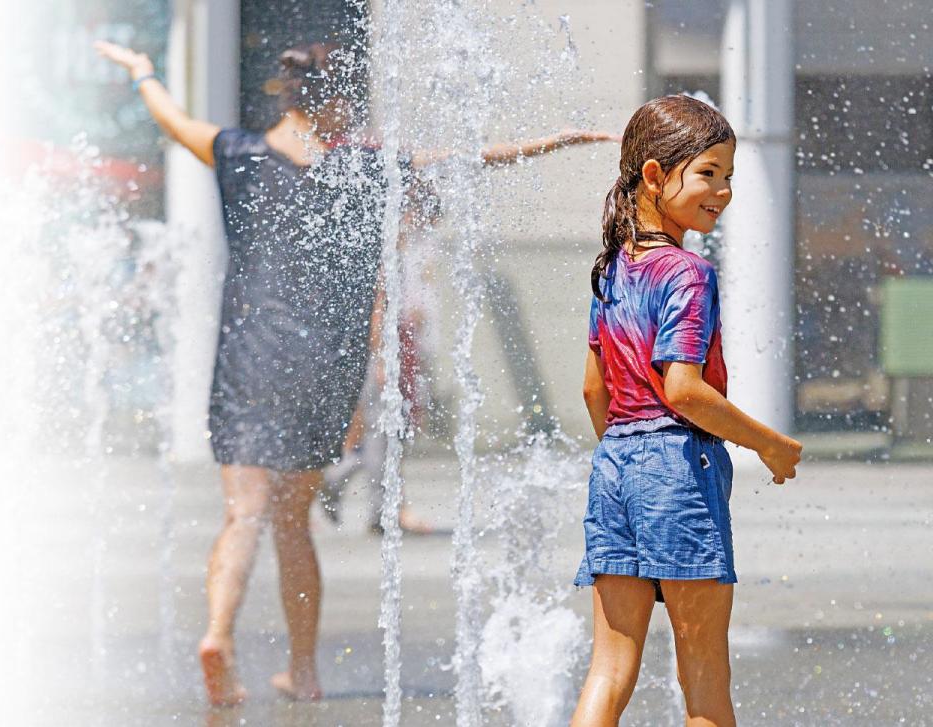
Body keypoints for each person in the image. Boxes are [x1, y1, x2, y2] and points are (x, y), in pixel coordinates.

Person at [95, 39, 616, 707]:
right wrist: (558, 140)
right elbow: (468, 160)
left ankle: (218, 632)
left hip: (248, 359)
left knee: (243, 513)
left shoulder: (238, 152)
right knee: (292, 520)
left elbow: (170, 120)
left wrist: (143, 73)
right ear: (331, 100)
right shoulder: (362, 170)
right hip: (321, 365)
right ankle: (303, 669)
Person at [570, 95, 803, 727]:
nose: (723, 190)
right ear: (652, 175)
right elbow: (684, 390)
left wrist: (627, 454)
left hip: (615, 463)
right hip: (677, 465)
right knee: (703, 670)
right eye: (707, 172)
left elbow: (595, 391)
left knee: (610, 666)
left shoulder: (613, 267)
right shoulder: (687, 273)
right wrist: (770, 445)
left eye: (728, 175)